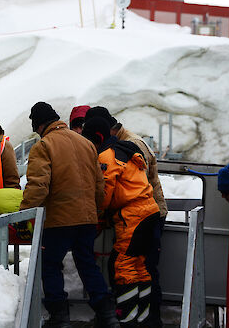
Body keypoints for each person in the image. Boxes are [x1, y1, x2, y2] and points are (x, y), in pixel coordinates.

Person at [19, 102, 118, 328]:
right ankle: (107, 314)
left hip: (59, 220)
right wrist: (96, 212)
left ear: (40, 124)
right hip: (87, 219)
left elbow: (39, 186)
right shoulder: (86, 143)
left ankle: (59, 317)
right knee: (87, 264)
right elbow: (98, 185)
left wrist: (24, 214)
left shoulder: (43, 146)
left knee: (51, 265)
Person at [86, 105, 168, 326]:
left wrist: (97, 217)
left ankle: (128, 318)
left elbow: (105, 194)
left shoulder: (107, 157)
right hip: (149, 211)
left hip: (132, 217)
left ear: (97, 138)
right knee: (141, 266)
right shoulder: (126, 150)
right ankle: (144, 318)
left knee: (123, 266)